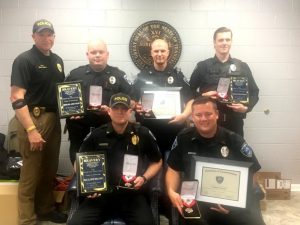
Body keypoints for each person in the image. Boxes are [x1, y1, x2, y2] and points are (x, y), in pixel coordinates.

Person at [166, 96, 265, 225]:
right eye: (198, 115)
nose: (203, 119)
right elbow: (173, 169)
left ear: (217, 114)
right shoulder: (183, 139)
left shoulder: (234, 140)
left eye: (208, 114)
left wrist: (238, 201)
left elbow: (253, 172)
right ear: (192, 117)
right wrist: (171, 192)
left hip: (229, 201)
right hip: (196, 200)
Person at [68, 93, 162, 225]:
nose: (120, 112)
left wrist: (144, 178)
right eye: (116, 108)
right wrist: (88, 184)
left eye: (124, 109)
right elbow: (79, 162)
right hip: (101, 196)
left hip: (132, 195)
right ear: (109, 111)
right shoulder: (97, 134)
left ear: (130, 112)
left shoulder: (143, 133)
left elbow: (157, 161)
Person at [10, 19, 67, 224]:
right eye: (41, 34)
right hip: (33, 119)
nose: (46, 38)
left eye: (49, 34)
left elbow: (60, 94)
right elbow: (17, 96)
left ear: (54, 36)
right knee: (30, 173)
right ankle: (27, 219)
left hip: (53, 119)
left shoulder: (58, 60)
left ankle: (45, 209)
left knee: (49, 169)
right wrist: (31, 129)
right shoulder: (24, 60)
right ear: (33, 36)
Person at [65, 39, 132, 164]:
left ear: (107, 54)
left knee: (111, 168)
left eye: (101, 52)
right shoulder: (75, 74)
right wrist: (70, 112)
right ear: (87, 55)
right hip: (80, 131)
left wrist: (112, 110)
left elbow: (132, 101)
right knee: (82, 171)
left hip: (109, 133)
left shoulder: (118, 75)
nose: (97, 55)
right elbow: (64, 100)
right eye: (93, 52)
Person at [189, 27, 259, 137]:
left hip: (235, 122)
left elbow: (254, 91)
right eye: (221, 40)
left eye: (227, 40)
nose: (224, 43)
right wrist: (202, 96)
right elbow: (189, 90)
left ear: (231, 42)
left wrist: (246, 108)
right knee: (209, 153)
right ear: (214, 43)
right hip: (208, 121)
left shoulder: (242, 66)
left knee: (235, 153)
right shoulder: (203, 66)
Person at [131, 38, 193, 155]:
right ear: (151, 52)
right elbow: (131, 99)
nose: (159, 54)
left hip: (173, 130)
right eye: (156, 51)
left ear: (168, 52)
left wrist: (184, 116)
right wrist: (136, 106)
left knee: (171, 166)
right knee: (152, 165)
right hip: (149, 130)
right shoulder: (142, 76)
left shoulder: (177, 75)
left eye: (163, 51)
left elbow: (191, 100)